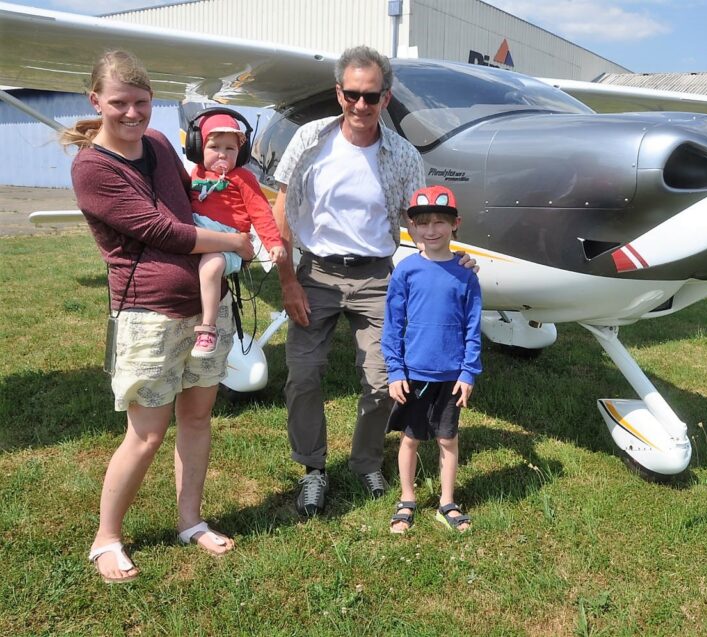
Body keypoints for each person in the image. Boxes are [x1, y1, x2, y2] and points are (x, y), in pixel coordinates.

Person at [62, 50, 253, 583]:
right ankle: (106, 538)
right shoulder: (93, 168)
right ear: (95, 101)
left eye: (141, 103)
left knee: (196, 419)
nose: (131, 113)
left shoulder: (161, 144)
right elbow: (163, 230)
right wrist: (237, 240)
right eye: (119, 103)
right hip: (148, 314)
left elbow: (188, 203)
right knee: (145, 434)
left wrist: (241, 213)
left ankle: (190, 522)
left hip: (205, 312)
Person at [271, 45, 475, 515]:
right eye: (352, 95)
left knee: (385, 380)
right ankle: (313, 470)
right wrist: (288, 281)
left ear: (386, 98)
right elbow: (281, 210)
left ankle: (365, 460)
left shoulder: (403, 155)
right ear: (338, 93)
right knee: (303, 375)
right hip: (316, 273)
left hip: (378, 277)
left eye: (372, 96)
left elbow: (423, 221)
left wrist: (454, 262)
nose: (361, 106)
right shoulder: (309, 140)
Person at [382, 186, 482, 534]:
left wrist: (468, 372)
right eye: (423, 222)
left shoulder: (467, 273)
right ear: (412, 226)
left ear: (456, 224)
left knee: (447, 439)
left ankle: (446, 502)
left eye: (441, 221)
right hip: (413, 374)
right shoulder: (406, 271)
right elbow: (393, 325)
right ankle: (407, 500)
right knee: (409, 439)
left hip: (452, 376)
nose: (432, 229)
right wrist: (395, 370)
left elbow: (473, 325)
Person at [188, 111, 287, 357]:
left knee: (212, 266)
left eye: (230, 149)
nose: (222, 154)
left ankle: (207, 329)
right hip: (197, 235)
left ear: (240, 153)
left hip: (228, 243)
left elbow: (261, 212)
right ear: (199, 146)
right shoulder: (195, 174)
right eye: (214, 146)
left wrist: (273, 242)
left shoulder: (242, 178)